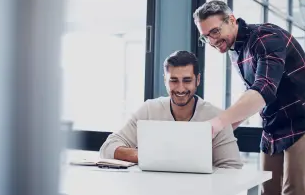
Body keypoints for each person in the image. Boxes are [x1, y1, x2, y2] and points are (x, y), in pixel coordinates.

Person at [193, 0, 305, 195]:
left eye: (215, 32)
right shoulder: (235, 50)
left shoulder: (266, 38)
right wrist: (229, 126)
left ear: (232, 20)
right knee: (267, 190)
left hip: (304, 120)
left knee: (293, 190)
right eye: (205, 37)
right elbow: (252, 91)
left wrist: (218, 122)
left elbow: (264, 89)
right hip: (274, 123)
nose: (212, 41)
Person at [100, 50, 243, 169]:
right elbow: (108, 148)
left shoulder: (216, 116)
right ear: (165, 80)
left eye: (187, 80)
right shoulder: (149, 110)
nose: (180, 88)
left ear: (198, 80)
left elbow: (232, 167)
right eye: (173, 80)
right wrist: (148, 156)